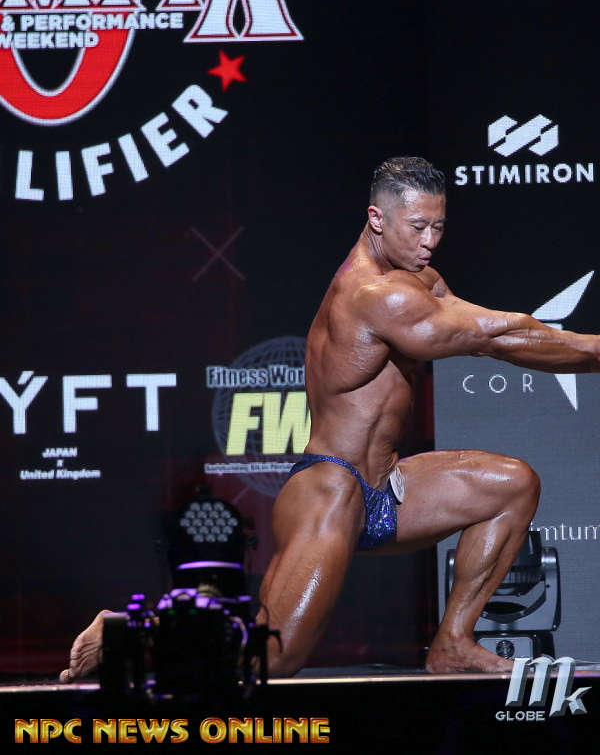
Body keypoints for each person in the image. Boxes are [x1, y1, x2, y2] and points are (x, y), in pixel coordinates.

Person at [60, 157, 600, 682]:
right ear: (377, 219)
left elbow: (502, 333)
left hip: (388, 485)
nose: (429, 241)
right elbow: (496, 337)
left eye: (438, 226)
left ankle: (453, 643)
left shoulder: (421, 279)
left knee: (512, 484)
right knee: (274, 659)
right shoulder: (373, 294)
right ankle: (129, 632)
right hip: (331, 488)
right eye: (417, 227)